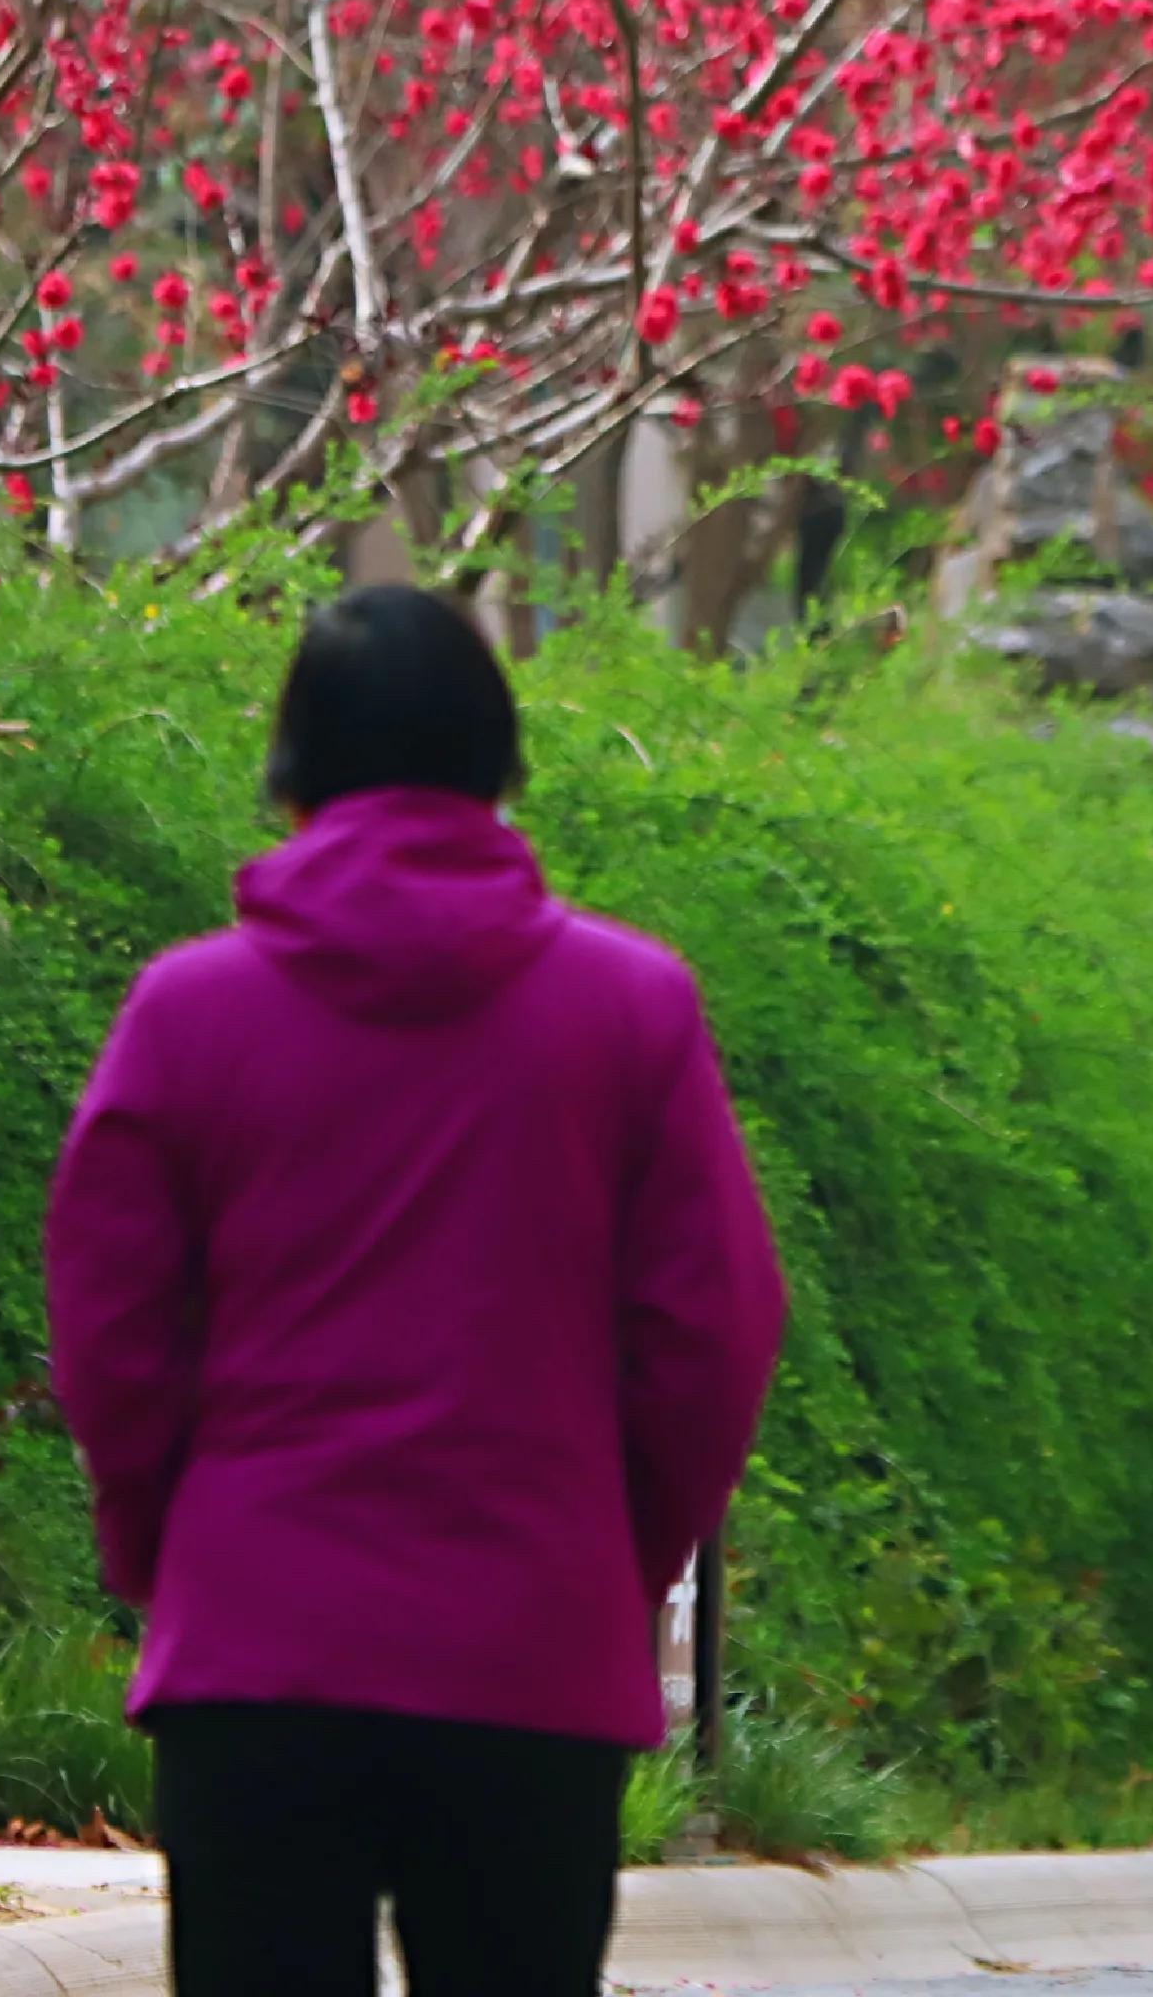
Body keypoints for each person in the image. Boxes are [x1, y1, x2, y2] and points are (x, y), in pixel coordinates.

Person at [46, 585, 787, 1997]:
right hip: (530, 1654)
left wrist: (169, 1548)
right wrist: (614, 1557)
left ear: (291, 771)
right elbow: (716, 1329)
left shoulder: (190, 1016)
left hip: (257, 1649)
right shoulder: (630, 1011)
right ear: (501, 768)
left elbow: (111, 1323)